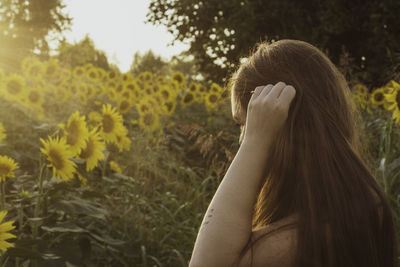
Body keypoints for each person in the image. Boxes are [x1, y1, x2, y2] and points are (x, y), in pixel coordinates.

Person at [189, 39, 398, 267]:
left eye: (246, 125)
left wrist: (255, 142)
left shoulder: (308, 236)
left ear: (283, 123)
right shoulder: (360, 205)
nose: (242, 139)